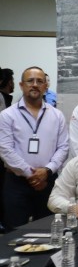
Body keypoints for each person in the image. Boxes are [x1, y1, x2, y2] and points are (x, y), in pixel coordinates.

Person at [0, 67, 69, 228]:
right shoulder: (7, 115)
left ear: (45, 86)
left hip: (48, 182)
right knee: (14, 233)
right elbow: (5, 149)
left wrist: (47, 170)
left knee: (48, 231)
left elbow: (64, 147)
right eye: (30, 81)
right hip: (16, 183)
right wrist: (30, 174)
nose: (35, 84)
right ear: (21, 85)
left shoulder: (57, 115)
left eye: (40, 81)